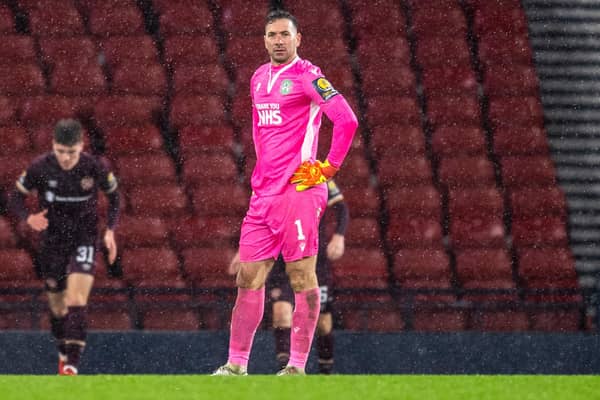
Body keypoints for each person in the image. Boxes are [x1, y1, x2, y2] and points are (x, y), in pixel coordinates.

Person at [212, 9, 358, 376]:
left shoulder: (309, 77)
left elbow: (347, 119)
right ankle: (236, 366)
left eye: (285, 35)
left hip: (299, 190)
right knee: (248, 276)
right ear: (264, 40)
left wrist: (327, 169)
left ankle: (295, 367)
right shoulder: (258, 78)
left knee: (300, 277)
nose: (278, 40)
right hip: (264, 194)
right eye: (272, 35)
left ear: (298, 39)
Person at [8, 119, 120, 376]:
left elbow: (115, 197)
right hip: (53, 242)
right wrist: (28, 218)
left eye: (72, 152)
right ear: (53, 147)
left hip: (84, 238)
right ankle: (62, 354)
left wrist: (111, 231)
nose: (66, 158)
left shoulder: (94, 167)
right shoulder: (40, 167)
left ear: (81, 146)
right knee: (58, 307)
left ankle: (71, 365)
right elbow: (15, 197)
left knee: (76, 299)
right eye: (61, 151)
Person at [269, 179, 348, 374]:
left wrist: (339, 236)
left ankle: (325, 373)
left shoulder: (317, 174)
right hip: (284, 260)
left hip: (314, 262)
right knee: (281, 313)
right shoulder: (275, 173)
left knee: (322, 323)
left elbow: (342, 208)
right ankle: (285, 374)